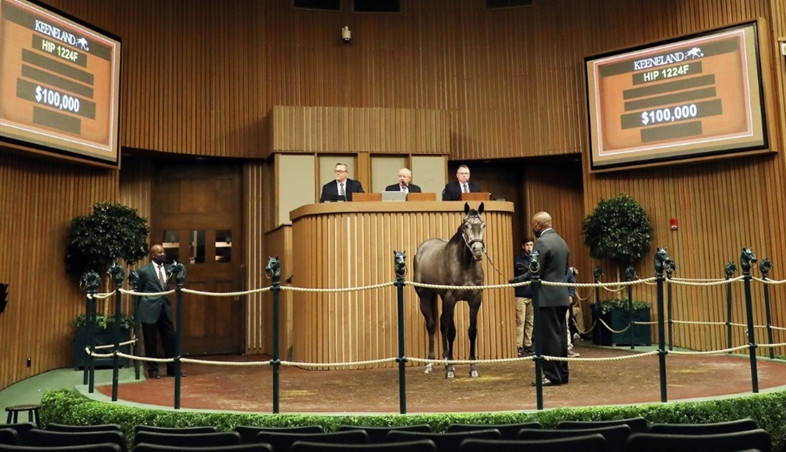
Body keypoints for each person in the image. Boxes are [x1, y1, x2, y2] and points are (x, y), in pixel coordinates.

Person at [510, 211, 571, 386]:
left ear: (538, 226)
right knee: (560, 338)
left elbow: (534, 273)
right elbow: (565, 271)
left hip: (546, 298)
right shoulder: (562, 242)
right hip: (561, 296)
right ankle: (562, 374)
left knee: (548, 338)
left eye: (533, 225)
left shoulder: (542, 243)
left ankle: (552, 376)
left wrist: (515, 281)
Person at [136, 244, 184, 379]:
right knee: (151, 342)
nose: (162, 254)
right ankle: (153, 370)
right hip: (149, 309)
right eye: (159, 252)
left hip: (165, 309)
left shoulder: (169, 269)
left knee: (170, 339)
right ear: (152, 255)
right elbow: (138, 291)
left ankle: (173, 369)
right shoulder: (144, 271)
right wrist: (139, 311)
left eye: (163, 252)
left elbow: (180, 278)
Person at [513, 238, 535, 357]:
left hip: (532, 294)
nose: (529, 247)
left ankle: (528, 344)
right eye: (527, 245)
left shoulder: (535, 259)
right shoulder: (517, 259)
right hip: (520, 294)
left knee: (530, 321)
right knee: (520, 321)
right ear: (523, 246)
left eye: (531, 245)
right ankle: (518, 345)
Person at [566, 267, 580, 358]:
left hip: (563, 301)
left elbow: (572, 282)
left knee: (564, 325)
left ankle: (567, 348)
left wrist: (571, 294)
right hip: (549, 301)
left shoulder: (566, 269)